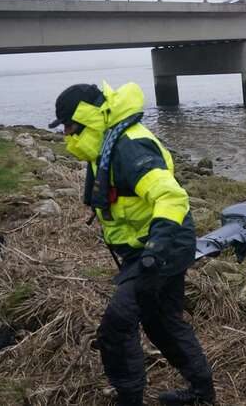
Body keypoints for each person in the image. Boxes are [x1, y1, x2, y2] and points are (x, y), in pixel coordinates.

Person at [49, 82, 214, 406]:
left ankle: (129, 397)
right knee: (162, 323)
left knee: (117, 324)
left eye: (69, 126)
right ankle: (202, 393)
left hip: (162, 246)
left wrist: (154, 251)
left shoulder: (128, 146)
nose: (66, 135)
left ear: (87, 119)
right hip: (145, 249)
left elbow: (171, 196)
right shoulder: (104, 144)